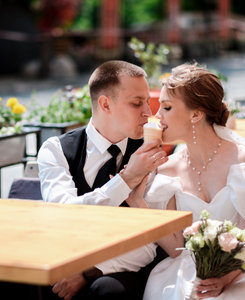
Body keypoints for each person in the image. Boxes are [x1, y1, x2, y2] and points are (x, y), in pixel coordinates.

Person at [121, 63, 245, 299]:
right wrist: (138, 203)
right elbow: (174, 247)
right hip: (188, 268)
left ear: (196, 114)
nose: (157, 116)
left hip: (244, 263)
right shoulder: (167, 167)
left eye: (167, 107)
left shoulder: (241, 159)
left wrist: (226, 277)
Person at [36, 60, 168, 300]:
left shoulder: (149, 154)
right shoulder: (56, 150)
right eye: (137, 103)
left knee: (107, 290)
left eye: (147, 102)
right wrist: (126, 179)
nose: (148, 113)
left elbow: (150, 243)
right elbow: (63, 215)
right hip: (66, 254)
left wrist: (90, 271)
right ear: (105, 104)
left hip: (122, 266)